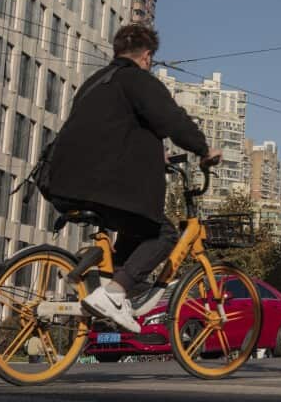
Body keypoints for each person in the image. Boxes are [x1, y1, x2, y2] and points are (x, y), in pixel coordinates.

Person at [45, 24, 220, 333]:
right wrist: (203, 149)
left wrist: (153, 154)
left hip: (63, 181)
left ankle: (108, 284)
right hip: (103, 185)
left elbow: (109, 129)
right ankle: (115, 292)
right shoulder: (138, 80)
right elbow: (171, 119)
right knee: (163, 233)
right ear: (147, 56)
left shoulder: (93, 83)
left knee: (134, 225)